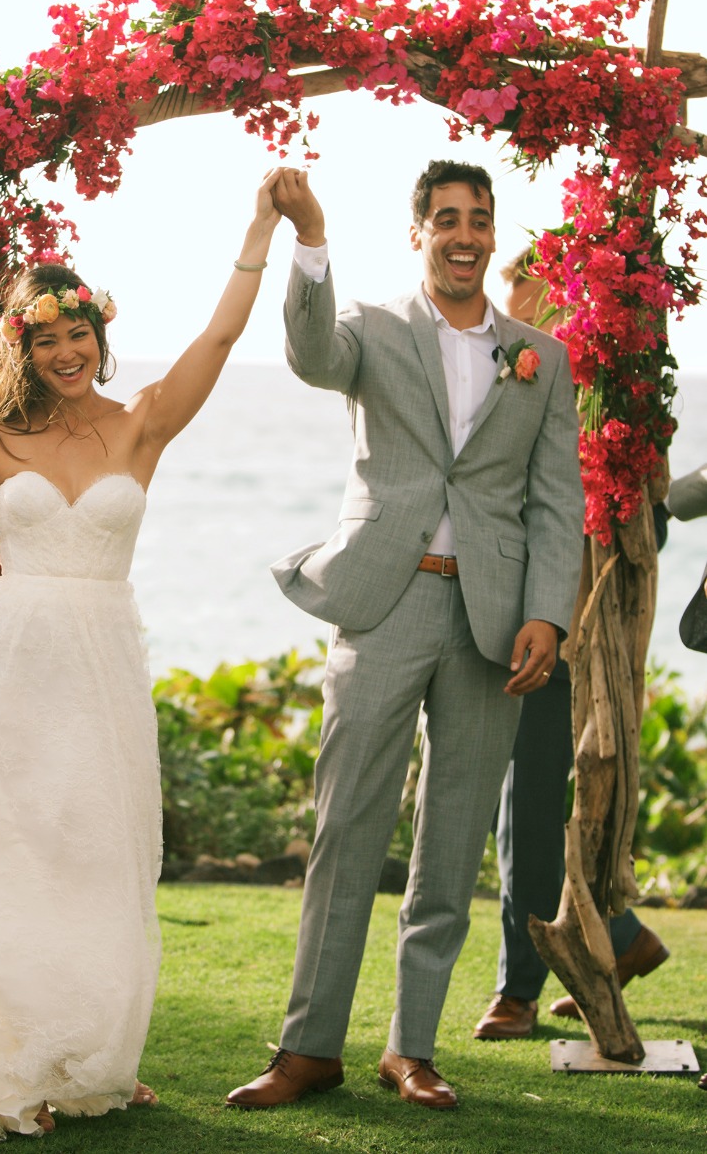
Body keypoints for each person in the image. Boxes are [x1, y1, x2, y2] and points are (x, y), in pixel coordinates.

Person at [0, 172, 283, 1147]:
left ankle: (93, 1060)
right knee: (17, 856)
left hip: (104, 663)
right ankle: (20, 1060)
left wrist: (260, 229)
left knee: (101, 855)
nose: (67, 351)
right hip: (12, 661)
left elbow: (219, 341)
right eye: (46, 338)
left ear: (97, 335)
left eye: (77, 334)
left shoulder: (140, 424)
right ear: (24, 347)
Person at [226, 161, 585, 1112]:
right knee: (346, 827)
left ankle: (411, 1047)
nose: (464, 235)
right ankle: (309, 1046)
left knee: (453, 840)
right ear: (418, 231)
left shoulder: (542, 358)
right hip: (384, 605)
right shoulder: (373, 332)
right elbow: (309, 354)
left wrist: (547, 612)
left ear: (492, 231)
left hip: (493, 624)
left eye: (479, 219)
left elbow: (557, 502)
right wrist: (309, 240)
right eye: (446, 220)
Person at [473, 250, 670, 1040]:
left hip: (563, 624)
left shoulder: (593, 405)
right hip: (508, 611)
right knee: (516, 804)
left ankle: (521, 985)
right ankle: (620, 939)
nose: (509, 311)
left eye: (524, 296)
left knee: (527, 802)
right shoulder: (520, 380)